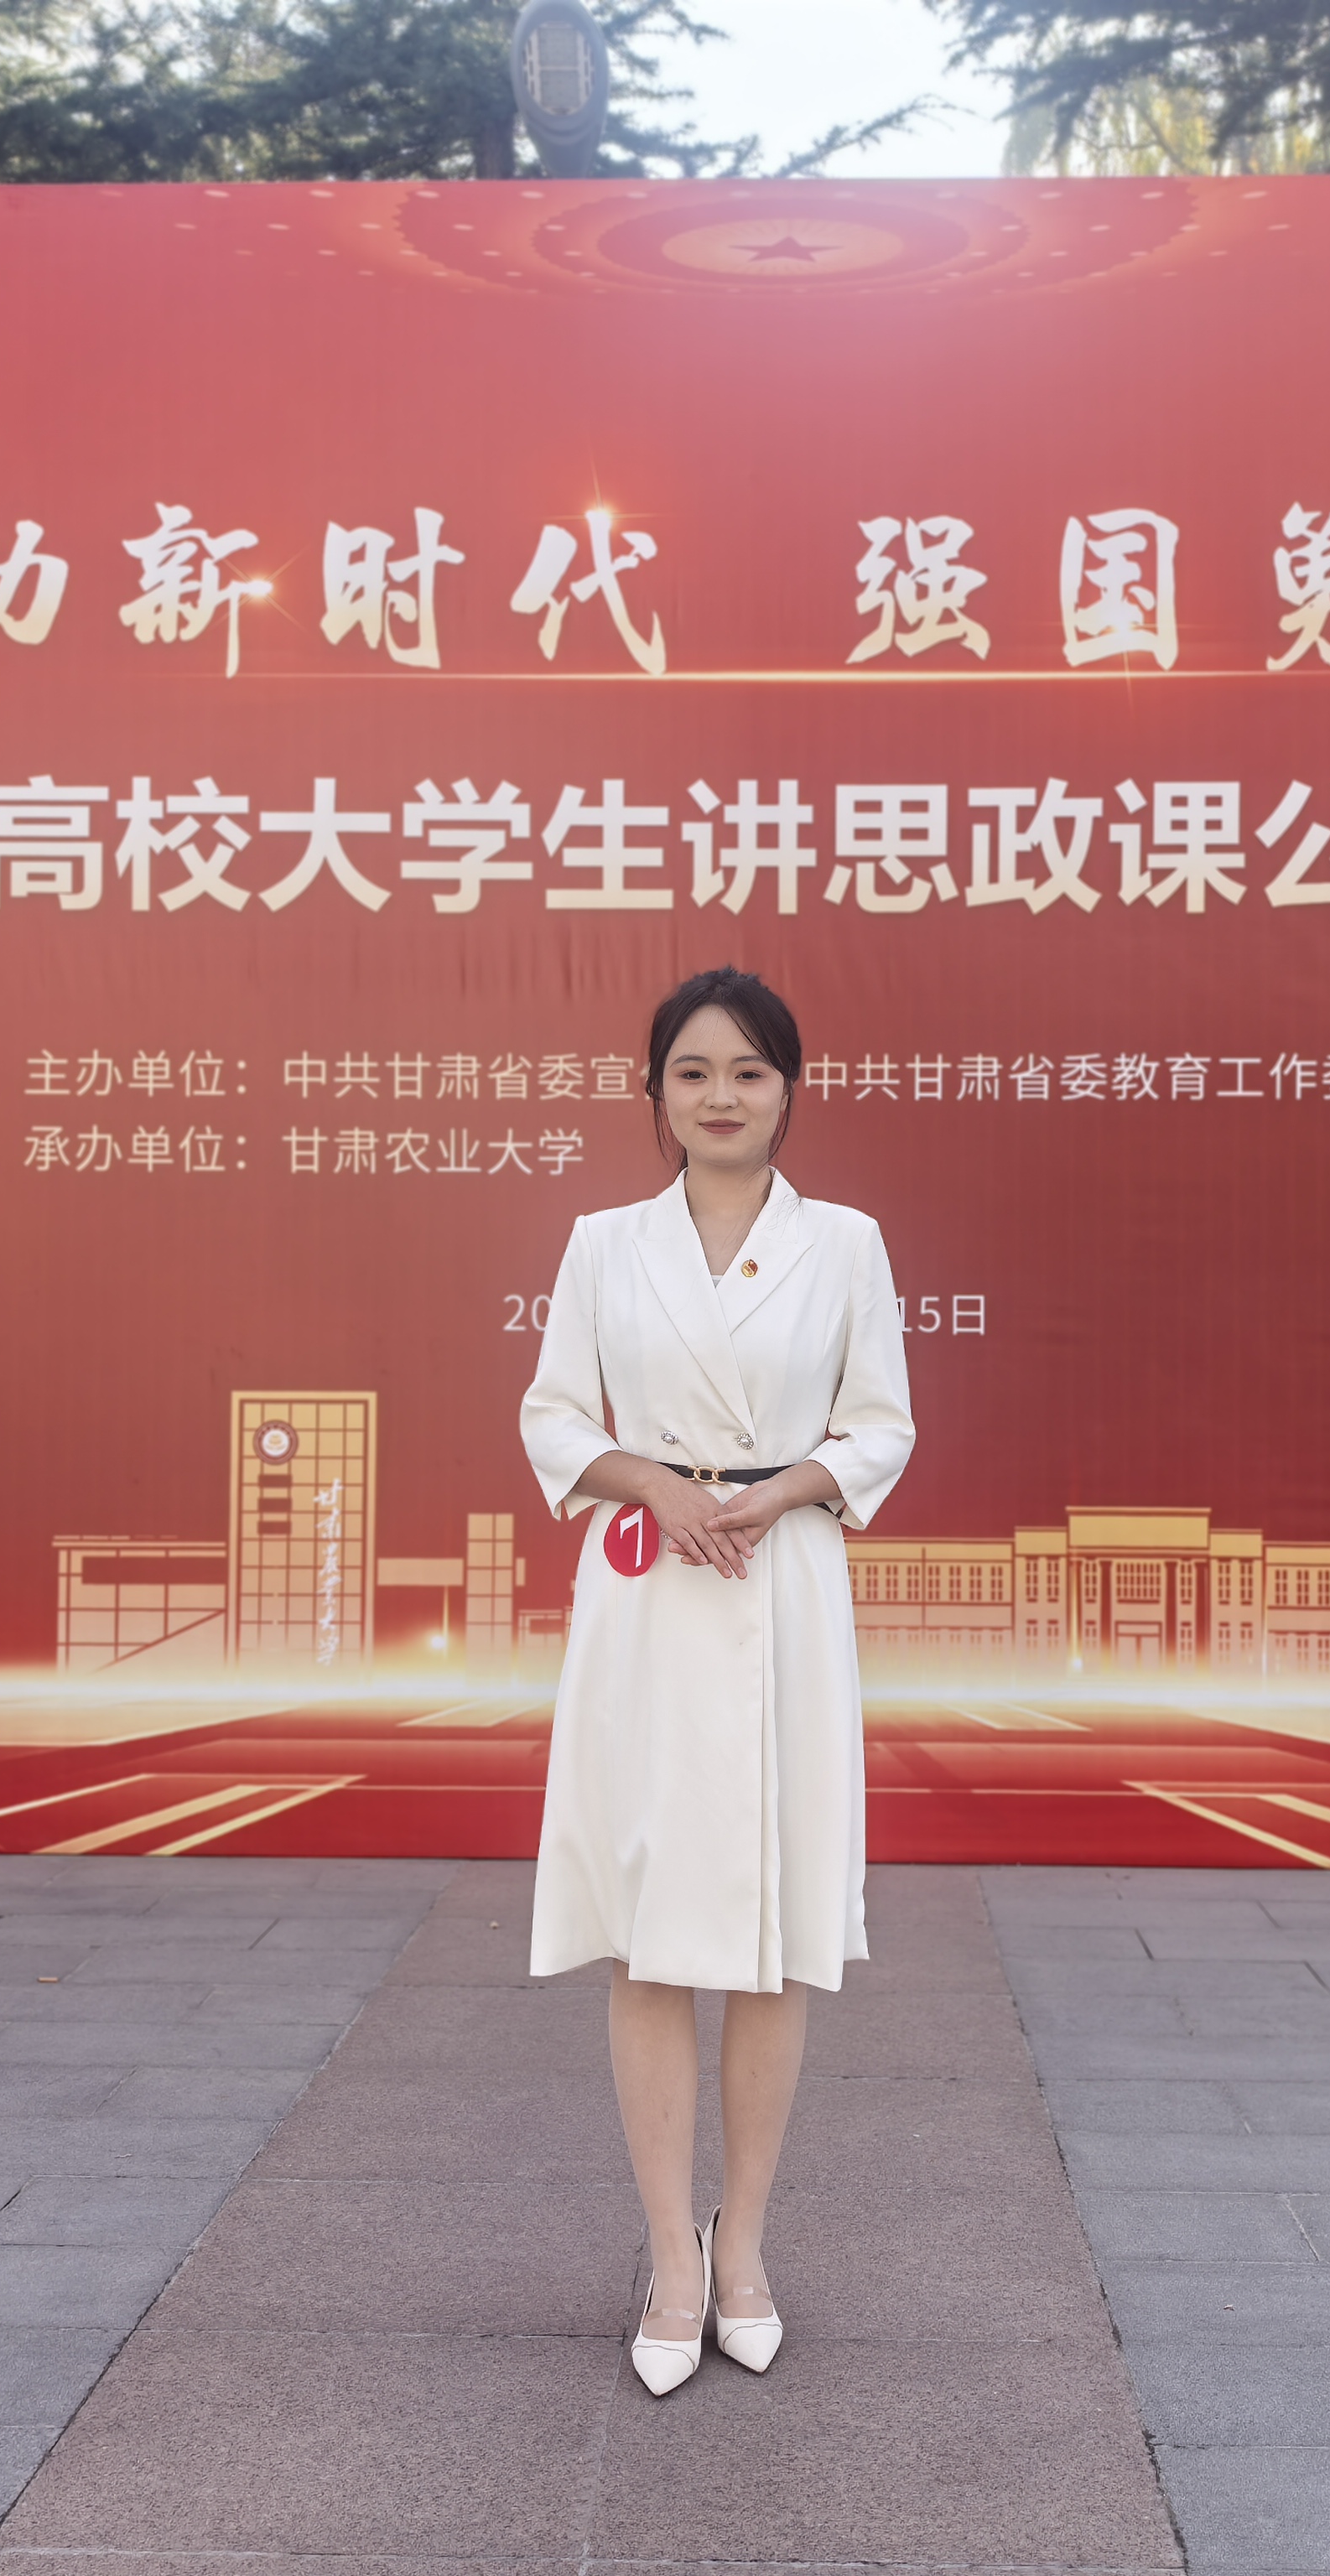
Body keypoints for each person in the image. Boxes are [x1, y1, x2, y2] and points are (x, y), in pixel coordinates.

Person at [517, 965, 916, 2395]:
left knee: (775, 1922)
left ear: (789, 1089)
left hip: (783, 1576)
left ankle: (741, 2242)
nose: (722, 1096)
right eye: (692, 1072)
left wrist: (778, 1492)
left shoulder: (846, 1243)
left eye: (749, 1071)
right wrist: (658, 1487)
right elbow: (555, 1415)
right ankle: (668, 2258)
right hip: (649, 1588)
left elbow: (880, 1427)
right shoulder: (604, 1243)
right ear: (656, 1093)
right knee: (648, 1925)